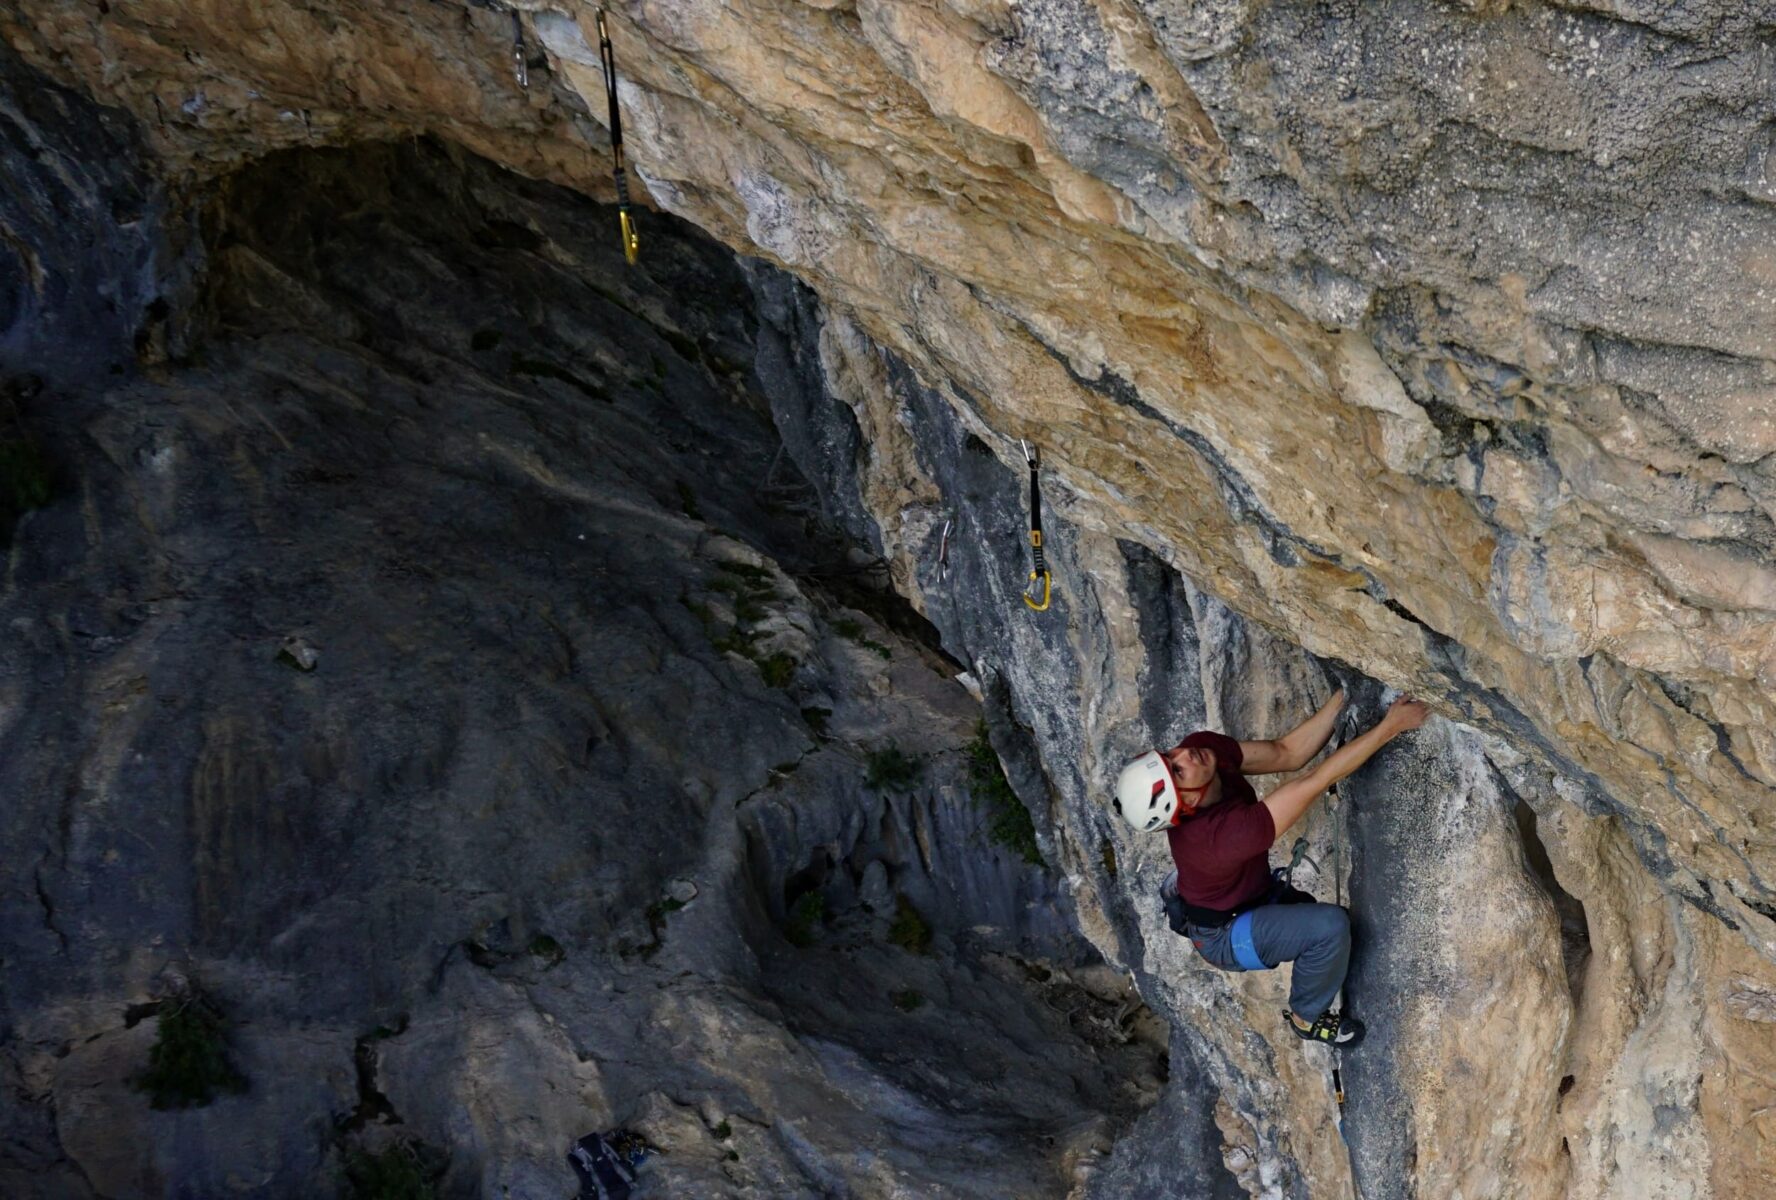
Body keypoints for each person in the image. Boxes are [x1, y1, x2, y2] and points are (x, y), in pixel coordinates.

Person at [1113, 689, 1429, 1046]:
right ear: (1184, 802)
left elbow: (1286, 753)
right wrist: (1392, 727)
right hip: (1223, 935)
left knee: (1319, 927)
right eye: (1177, 770)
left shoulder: (1205, 753)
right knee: (1329, 928)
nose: (1183, 753)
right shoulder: (1221, 838)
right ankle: (1306, 1017)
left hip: (1247, 895)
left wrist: (1346, 695)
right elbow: (1314, 781)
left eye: (1168, 755)